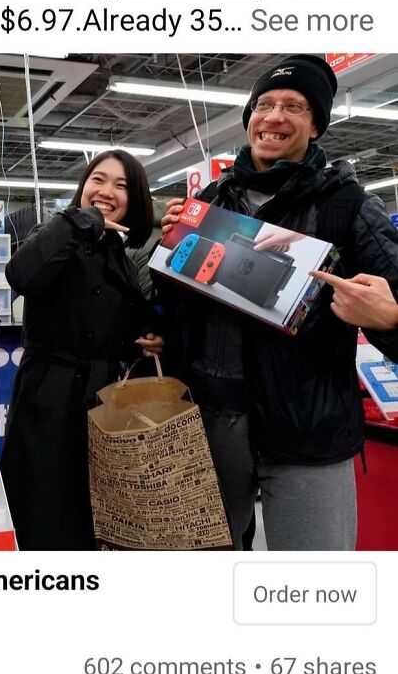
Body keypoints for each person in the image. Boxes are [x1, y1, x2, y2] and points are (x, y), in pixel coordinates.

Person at [154, 54, 398, 551]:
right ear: (249, 118)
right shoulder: (214, 203)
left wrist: (391, 318)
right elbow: (187, 308)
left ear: (316, 125)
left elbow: (394, 298)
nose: (274, 117)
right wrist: (171, 256)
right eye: (264, 104)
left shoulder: (347, 205)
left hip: (309, 432)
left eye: (294, 106)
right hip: (214, 424)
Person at [0, 150, 163, 550]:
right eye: (98, 179)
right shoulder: (58, 232)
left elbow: (112, 324)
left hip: (102, 403)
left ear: (135, 199)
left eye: (121, 185)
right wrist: (79, 220)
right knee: (45, 519)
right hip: (50, 403)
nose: (107, 191)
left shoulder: (119, 255)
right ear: (83, 187)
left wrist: (148, 337)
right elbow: (21, 274)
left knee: (91, 521)